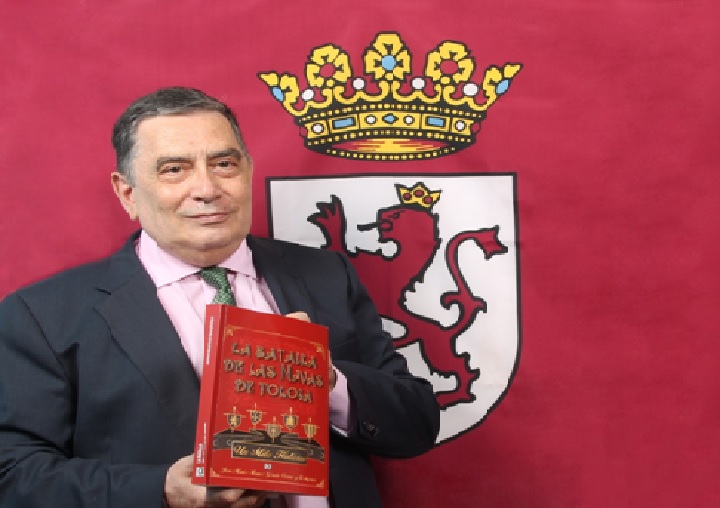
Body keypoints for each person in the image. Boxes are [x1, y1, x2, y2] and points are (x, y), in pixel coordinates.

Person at [0, 87, 440, 508]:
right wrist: (161, 491)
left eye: (224, 164)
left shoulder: (327, 275)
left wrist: (333, 385)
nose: (207, 188)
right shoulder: (42, 316)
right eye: (174, 169)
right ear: (127, 193)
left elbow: (417, 423)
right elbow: (14, 475)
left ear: (247, 171)